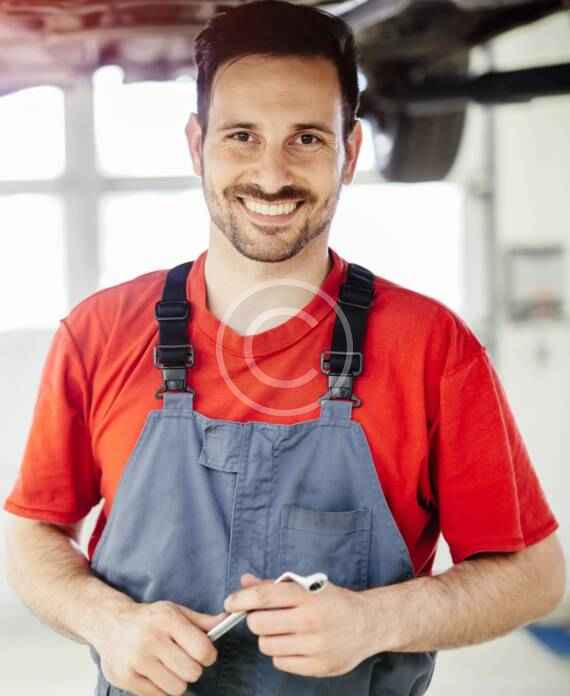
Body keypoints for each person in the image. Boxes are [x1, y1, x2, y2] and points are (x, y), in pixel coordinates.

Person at [3, 2, 565, 695]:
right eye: (242, 136)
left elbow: (534, 576)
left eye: (306, 139)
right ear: (195, 145)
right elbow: (33, 534)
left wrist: (375, 621)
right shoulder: (100, 332)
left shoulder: (431, 347)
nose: (271, 176)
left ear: (350, 152)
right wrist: (107, 620)